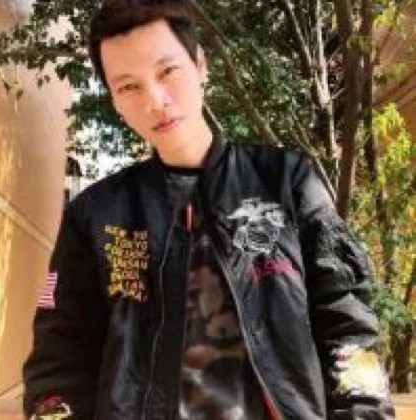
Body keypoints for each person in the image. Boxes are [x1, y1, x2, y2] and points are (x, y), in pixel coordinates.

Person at [23, 0, 395, 419]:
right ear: (115, 102)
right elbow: (57, 361)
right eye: (129, 87)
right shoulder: (95, 215)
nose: (155, 100)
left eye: (167, 71)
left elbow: (346, 321)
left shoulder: (288, 182)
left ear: (200, 66)